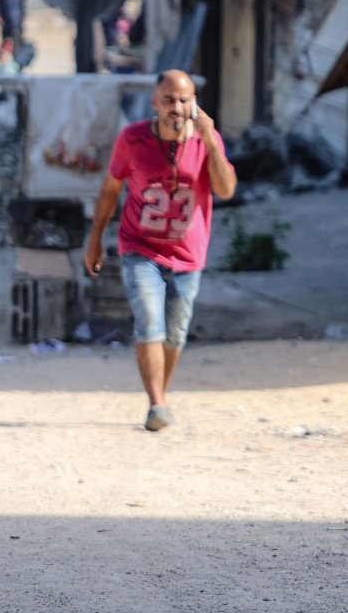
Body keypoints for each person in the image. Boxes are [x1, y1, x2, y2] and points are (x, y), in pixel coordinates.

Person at [84, 71, 236, 431]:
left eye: (184, 100)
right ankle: (156, 404)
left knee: (175, 334)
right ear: (155, 103)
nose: (177, 108)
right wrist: (94, 238)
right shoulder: (132, 140)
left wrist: (211, 141)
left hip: (188, 252)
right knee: (149, 321)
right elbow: (110, 190)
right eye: (169, 100)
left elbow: (226, 189)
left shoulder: (205, 140)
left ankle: (160, 398)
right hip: (140, 246)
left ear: (194, 103)